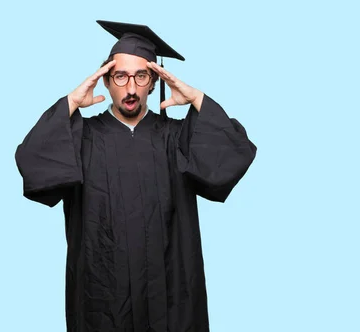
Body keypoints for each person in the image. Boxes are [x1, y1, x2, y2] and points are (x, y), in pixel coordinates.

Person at [14, 20, 257, 332]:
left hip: (170, 300)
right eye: (120, 76)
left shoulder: (177, 137)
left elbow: (235, 153)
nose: (130, 88)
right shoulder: (82, 138)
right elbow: (32, 163)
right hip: (101, 301)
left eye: (141, 76)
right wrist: (71, 104)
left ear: (154, 81)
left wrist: (197, 99)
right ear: (105, 80)